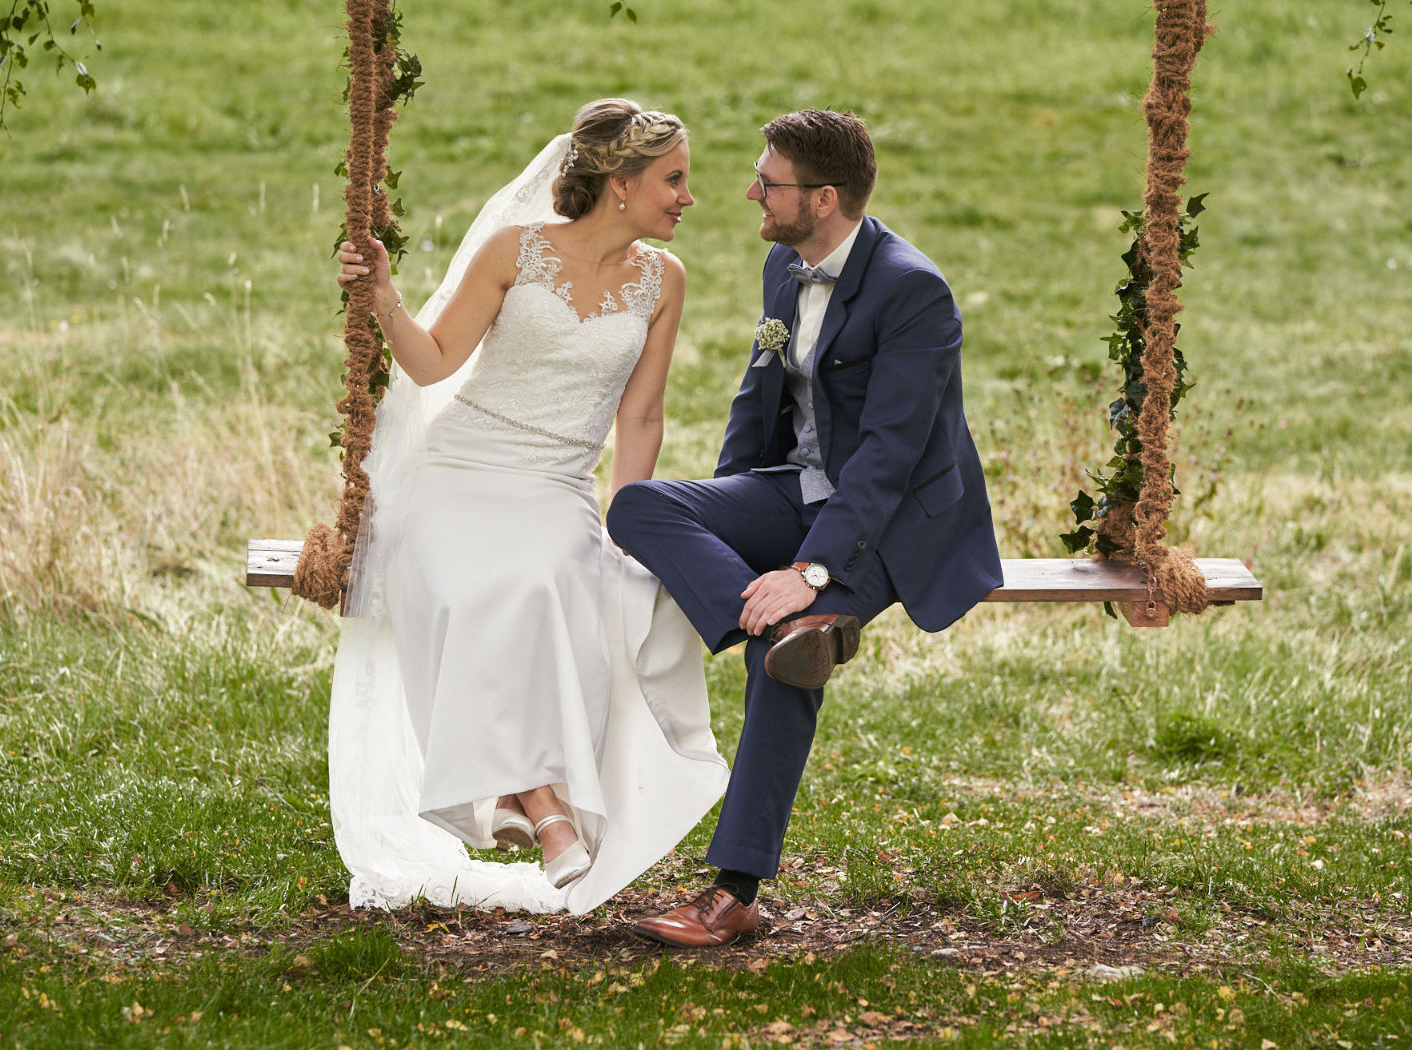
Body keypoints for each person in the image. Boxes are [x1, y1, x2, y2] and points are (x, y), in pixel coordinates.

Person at [608, 109, 1003, 946]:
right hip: (794, 488)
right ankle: (784, 621)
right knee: (638, 505)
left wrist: (811, 571)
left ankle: (733, 893)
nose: (751, 191)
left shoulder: (913, 290)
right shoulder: (783, 268)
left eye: (769, 182)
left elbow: (890, 459)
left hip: (890, 520)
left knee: (778, 665)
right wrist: (729, 519)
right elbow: (757, 404)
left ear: (822, 199)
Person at [326, 99, 728, 915]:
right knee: (474, 588)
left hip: (556, 484)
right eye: (674, 179)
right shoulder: (515, 251)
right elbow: (434, 363)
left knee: (548, 580)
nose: (688, 197)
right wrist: (383, 297)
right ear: (620, 183)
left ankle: (521, 796)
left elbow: (641, 417)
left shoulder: (664, 281)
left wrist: (631, 522)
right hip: (458, 471)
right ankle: (544, 807)